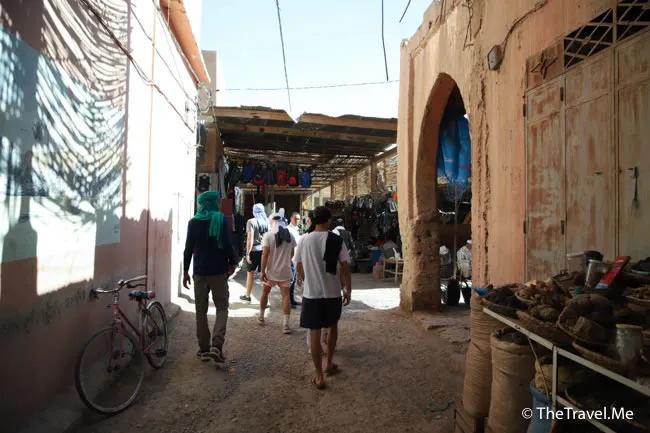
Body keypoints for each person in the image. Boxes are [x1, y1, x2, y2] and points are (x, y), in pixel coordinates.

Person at [295, 206, 352, 389]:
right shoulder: (336, 240)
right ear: (328, 220)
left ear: (312, 220)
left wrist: (305, 278)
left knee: (315, 332)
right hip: (332, 292)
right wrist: (348, 289)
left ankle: (319, 376)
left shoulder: (303, 240)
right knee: (332, 326)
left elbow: (298, 264)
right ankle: (329, 362)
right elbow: (345, 266)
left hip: (311, 294)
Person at [183, 191, 237, 363]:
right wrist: (232, 262)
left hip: (200, 272)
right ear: (214, 202)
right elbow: (227, 243)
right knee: (222, 308)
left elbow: (188, 248)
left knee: (201, 311)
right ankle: (216, 346)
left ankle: (204, 349)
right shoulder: (220, 219)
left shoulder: (193, 222)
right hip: (218, 271)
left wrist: (185, 271)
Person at [257, 213, 297, 333]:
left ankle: (261, 317)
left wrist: (262, 271)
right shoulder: (289, 235)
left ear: (270, 222)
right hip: (285, 271)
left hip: (271, 271)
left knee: (265, 292)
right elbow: (292, 253)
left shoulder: (268, 236)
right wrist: (286, 262)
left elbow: (265, 255)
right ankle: (285, 325)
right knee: (286, 296)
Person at [240, 203, 268, 304]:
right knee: (264, 274)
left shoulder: (251, 221)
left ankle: (247, 296)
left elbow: (249, 239)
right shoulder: (266, 222)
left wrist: (247, 253)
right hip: (264, 250)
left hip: (254, 251)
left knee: (250, 273)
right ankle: (265, 299)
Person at [287, 212, 301, 307]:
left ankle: (291, 300)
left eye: (298, 219)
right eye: (295, 219)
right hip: (291, 259)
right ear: (291, 218)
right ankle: (288, 301)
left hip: (296, 258)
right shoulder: (288, 229)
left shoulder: (297, 230)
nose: (297, 221)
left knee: (293, 280)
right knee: (290, 281)